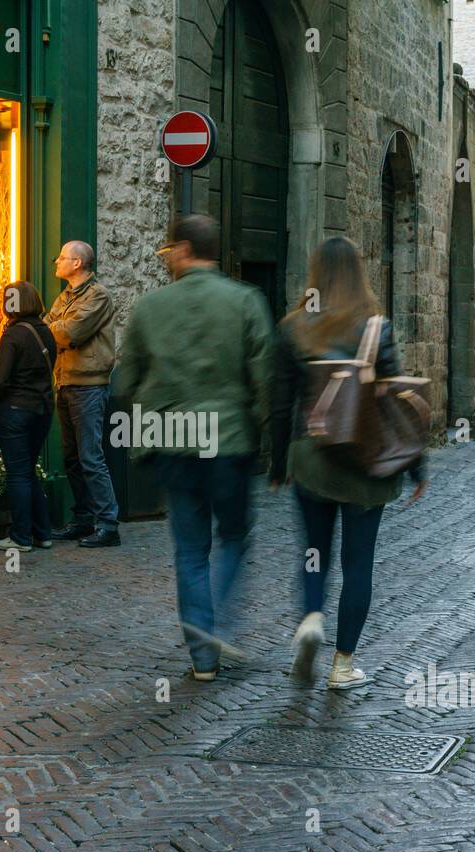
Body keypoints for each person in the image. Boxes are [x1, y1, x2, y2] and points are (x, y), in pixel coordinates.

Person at [116, 215, 273, 681]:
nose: (167, 260)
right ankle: (219, 622)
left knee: (188, 549)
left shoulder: (150, 307)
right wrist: (264, 436)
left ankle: (202, 655)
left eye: (168, 252)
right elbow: (265, 378)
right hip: (228, 443)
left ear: (184, 250)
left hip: (175, 443)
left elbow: (125, 378)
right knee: (232, 538)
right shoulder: (245, 301)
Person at [270, 237, 429, 690]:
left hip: (311, 456)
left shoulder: (293, 326)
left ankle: (310, 620)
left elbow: (279, 403)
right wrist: (416, 465)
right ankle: (343, 665)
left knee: (313, 551)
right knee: (359, 562)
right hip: (364, 460)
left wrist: (279, 463)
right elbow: (401, 398)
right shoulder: (376, 326)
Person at [44, 240, 121, 547]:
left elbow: (66, 332)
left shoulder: (97, 295)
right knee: (73, 458)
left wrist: (57, 329)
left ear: (77, 264)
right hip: (65, 380)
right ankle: (83, 519)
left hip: (89, 384)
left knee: (90, 457)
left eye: (61, 257)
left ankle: (108, 524)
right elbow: (50, 326)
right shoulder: (66, 296)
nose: (56, 262)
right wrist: (56, 329)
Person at [0, 281, 57, 552]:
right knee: (28, 470)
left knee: (17, 473)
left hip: (14, 410)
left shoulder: (13, 335)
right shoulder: (45, 331)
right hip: (42, 409)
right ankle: (42, 533)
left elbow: (0, 377)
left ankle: (20, 537)